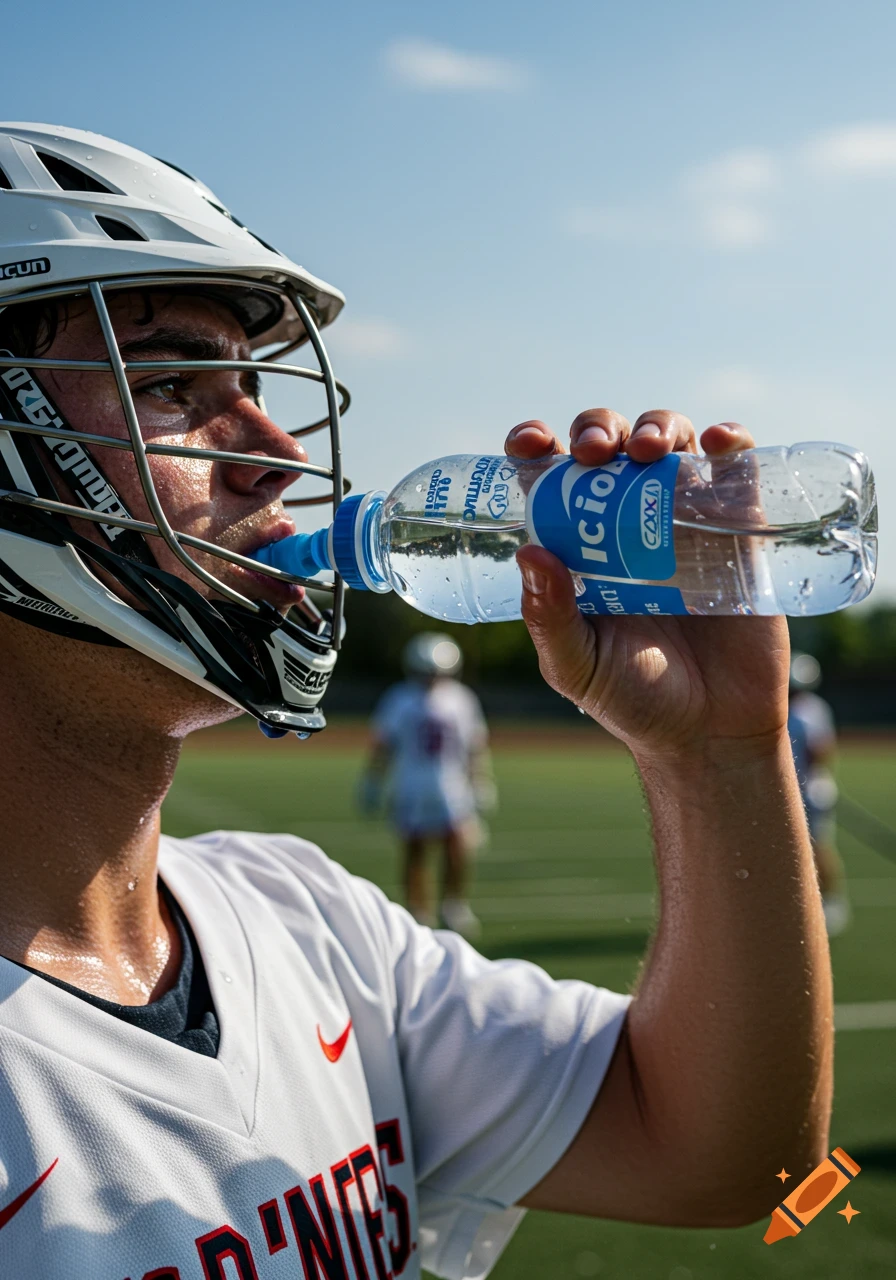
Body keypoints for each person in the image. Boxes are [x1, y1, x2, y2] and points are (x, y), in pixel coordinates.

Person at [0, 123, 832, 1280]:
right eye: (172, 385)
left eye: (252, 385)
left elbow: (722, 1154)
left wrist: (717, 756)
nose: (278, 452)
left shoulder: (304, 921)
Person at [363, 632, 495, 937]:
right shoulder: (399, 698)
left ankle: (453, 904)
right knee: (415, 849)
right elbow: (384, 745)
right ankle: (417, 910)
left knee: (458, 846)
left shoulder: (462, 699)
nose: (432, 678)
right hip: (412, 783)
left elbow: (474, 746)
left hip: (452, 784)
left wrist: (481, 781)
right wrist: (373, 780)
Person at [788, 651, 850, 936]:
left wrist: (805, 779)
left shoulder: (813, 710)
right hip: (789, 791)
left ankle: (832, 900)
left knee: (818, 846)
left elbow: (822, 751)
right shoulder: (779, 707)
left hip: (811, 792)